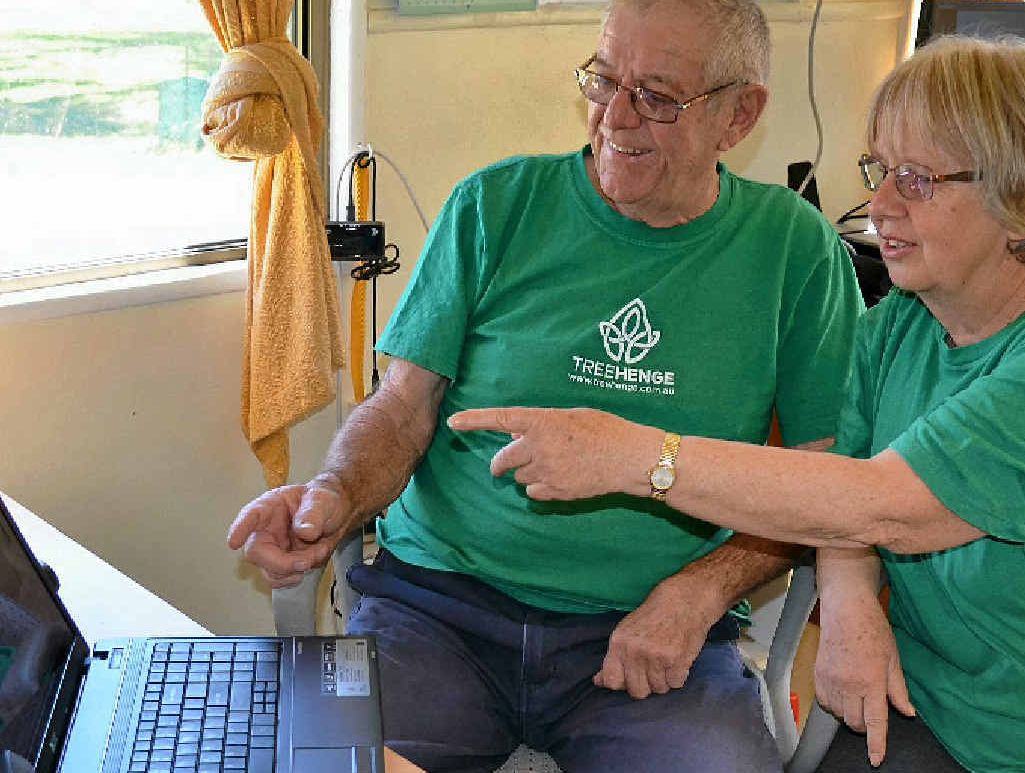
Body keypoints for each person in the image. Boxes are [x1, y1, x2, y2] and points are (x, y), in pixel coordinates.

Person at [228, 0, 864, 769]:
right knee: (315, 759)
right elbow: (401, 409)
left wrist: (702, 587)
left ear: (739, 115)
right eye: (603, 80)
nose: (615, 119)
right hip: (438, 611)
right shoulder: (494, 207)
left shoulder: (796, 253)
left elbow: (825, 477)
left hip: (647, 636)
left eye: (657, 97)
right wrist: (331, 496)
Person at [449, 35, 1025, 773]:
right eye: (878, 170)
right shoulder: (896, 326)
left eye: (913, 180)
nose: (875, 205)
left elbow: (883, 502)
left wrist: (637, 456)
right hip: (925, 703)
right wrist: (848, 605)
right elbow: (840, 489)